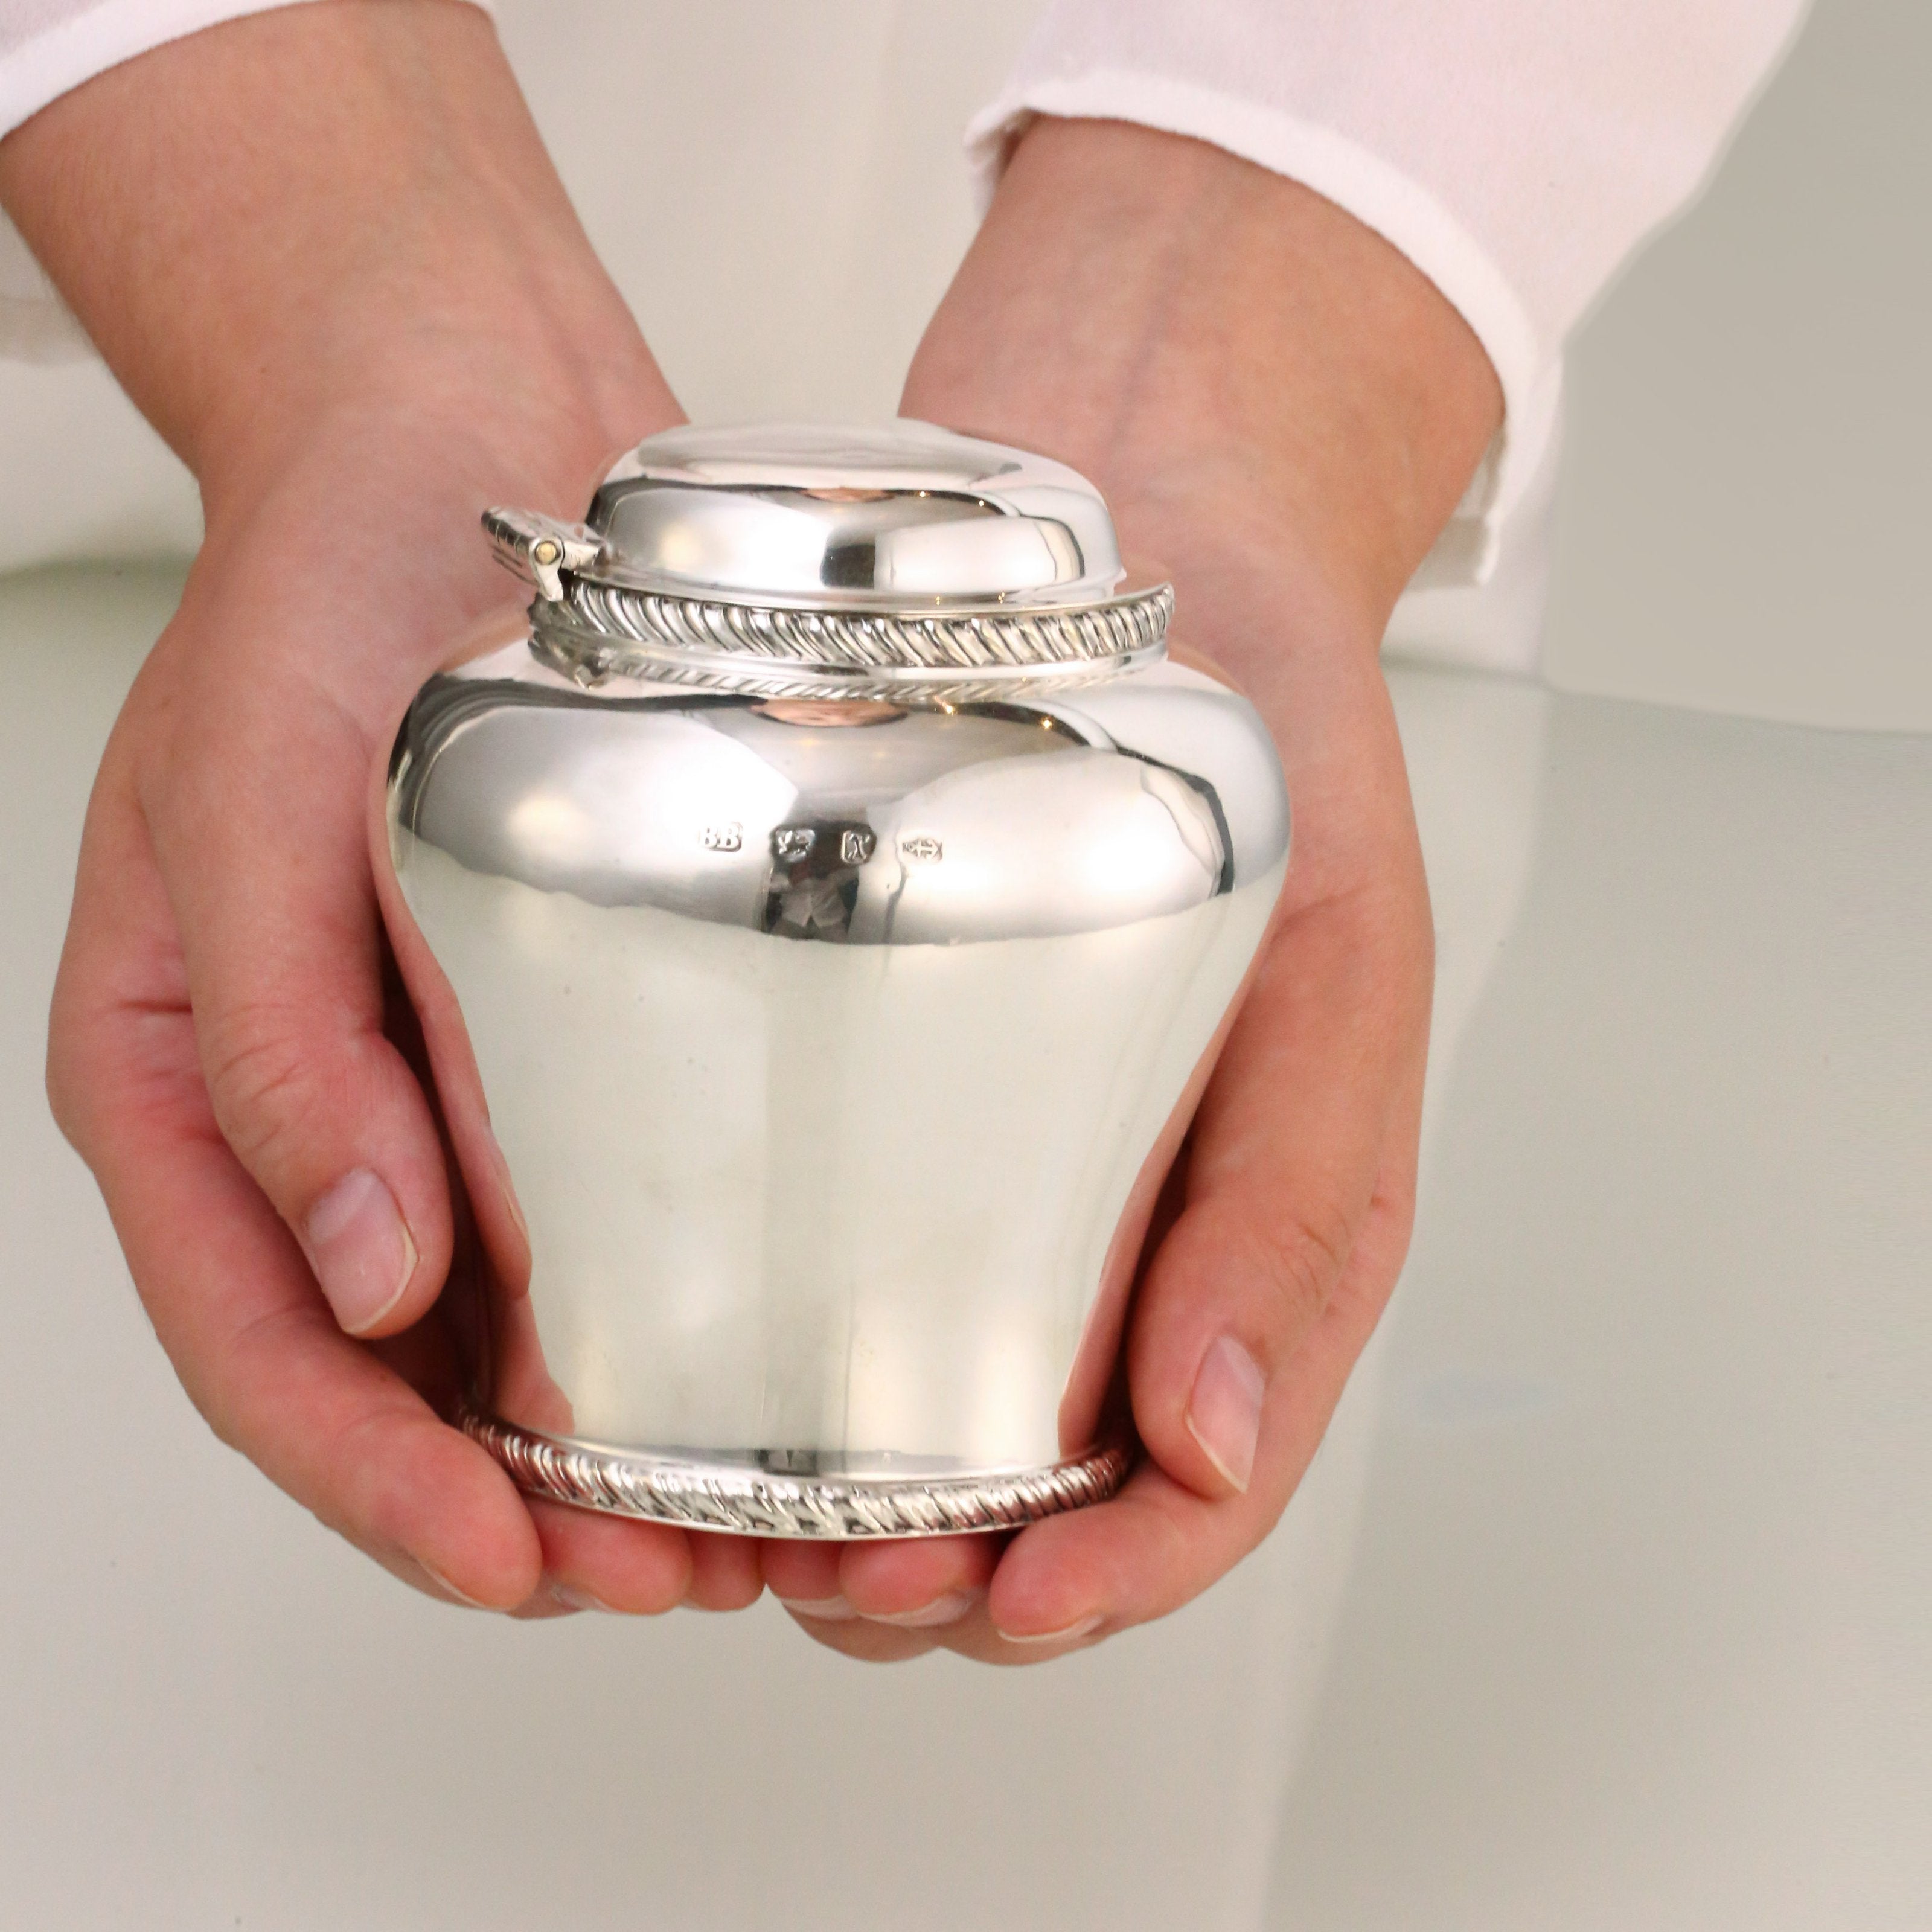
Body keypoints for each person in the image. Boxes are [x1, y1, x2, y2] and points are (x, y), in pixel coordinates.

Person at [0, 0, 1802, 1662]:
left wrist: (1270, 269)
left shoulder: (1187, 753)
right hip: (163, 383)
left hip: (1286, 425)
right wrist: (307, 235)